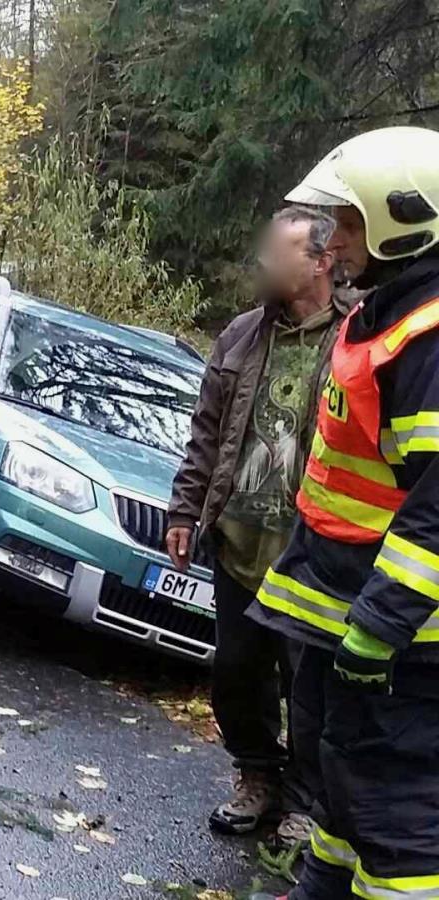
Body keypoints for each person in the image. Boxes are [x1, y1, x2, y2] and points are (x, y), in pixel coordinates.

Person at [246, 126, 439, 900]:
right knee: (342, 785)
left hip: (404, 645)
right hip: (342, 612)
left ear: (406, 220)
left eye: (349, 222)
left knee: (399, 820)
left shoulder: (427, 341)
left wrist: (382, 622)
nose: (336, 240)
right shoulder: (384, 318)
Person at [166, 207, 343, 845]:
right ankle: (256, 778)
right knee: (236, 676)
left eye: (283, 250)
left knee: (310, 690)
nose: (266, 260)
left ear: (322, 261)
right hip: (239, 543)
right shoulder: (241, 335)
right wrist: (186, 509)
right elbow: (206, 435)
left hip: (313, 555)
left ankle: (305, 801)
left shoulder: (354, 339)